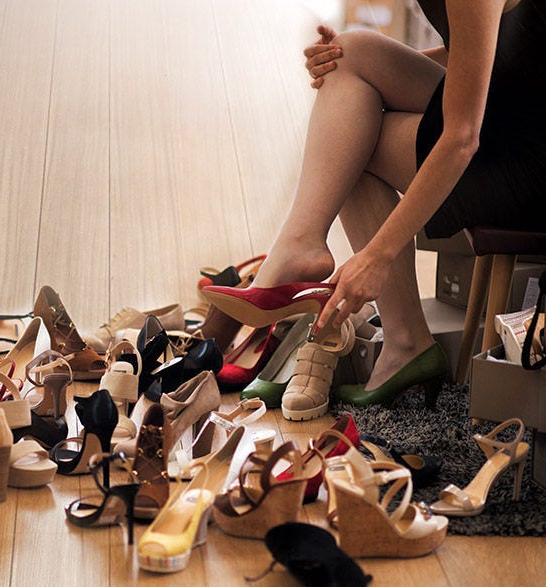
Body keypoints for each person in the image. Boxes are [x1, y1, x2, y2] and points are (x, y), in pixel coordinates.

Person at [224, 0, 543, 406]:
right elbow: (487, 51)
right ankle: (305, 246)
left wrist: (375, 257)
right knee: (348, 60)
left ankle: (403, 334)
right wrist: (351, 67)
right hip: (515, 109)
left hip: (530, 161)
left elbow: (463, 137)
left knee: (351, 143)